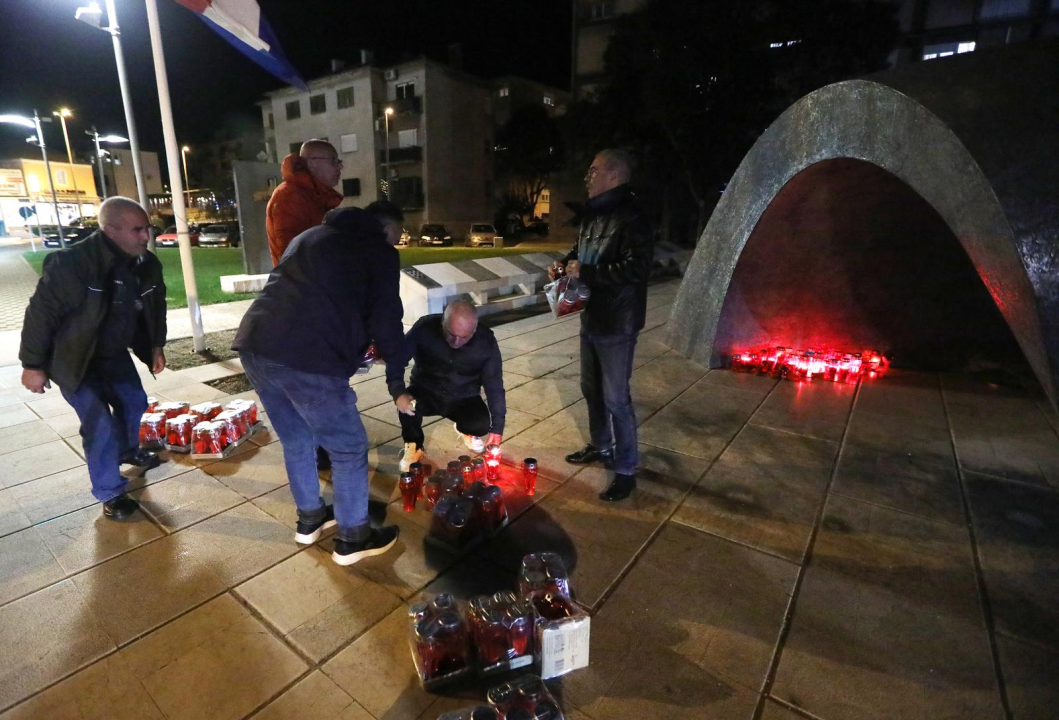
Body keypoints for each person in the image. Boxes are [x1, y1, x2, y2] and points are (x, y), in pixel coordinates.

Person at [233, 201, 409, 566]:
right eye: (397, 235)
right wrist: (398, 359)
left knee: (298, 438)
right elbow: (386, 316)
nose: (397, 243)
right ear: (386, 228)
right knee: (348, 447)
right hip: (308, 359)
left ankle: (310, 519)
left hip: (256, 346)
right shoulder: (379, 251)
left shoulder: (309, 236)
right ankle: (353, 538)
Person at [20, 197, 167, 520]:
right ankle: (109, 491)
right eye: (137, 230)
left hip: (112, 354)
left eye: (148, 229)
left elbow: (154, 310)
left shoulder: (145, 264)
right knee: (98, 421)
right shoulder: (73, 264)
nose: (146, 237)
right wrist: (33, 365)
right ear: (110, 230)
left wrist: (155, 346)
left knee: (134, 402)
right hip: (74, 359)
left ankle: (128, 450)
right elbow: (40, 315)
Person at [551, 148, 654, 502]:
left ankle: (625, 469)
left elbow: (637, 268)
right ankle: (600, 445)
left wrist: (589, 272)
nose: (587, 177)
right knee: (590, 388)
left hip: (618, 321)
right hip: (591, 314)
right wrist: (564, 265)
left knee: (616, 398)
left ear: (614, 175)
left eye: (593, 171)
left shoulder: (633, 216)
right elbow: (579, 254)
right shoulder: (592, 216)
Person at [266, 139, 344, 471]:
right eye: (334, 161)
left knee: (324, 375)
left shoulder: (313, 197)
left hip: (317, 298)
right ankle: (317, 446)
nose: (340, 167)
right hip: (303, 302)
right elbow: (295, 256)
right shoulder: (290, 198)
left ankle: (323, 441)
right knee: (313, 378)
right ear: (312, 163)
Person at [389, 300, 505, 471]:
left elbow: (494, 383)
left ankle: (465, 431)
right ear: (443, 321)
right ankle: (414, 445)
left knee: (480, 424)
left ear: (474, 329)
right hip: (426, 391)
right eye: (451, 334)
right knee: (407, 407)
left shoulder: (485, 342)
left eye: (464, 337)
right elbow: (397, 359)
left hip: (463, 397)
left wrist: (497, 427)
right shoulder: (424, 328)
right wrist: (398, 391)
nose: (456, 341)